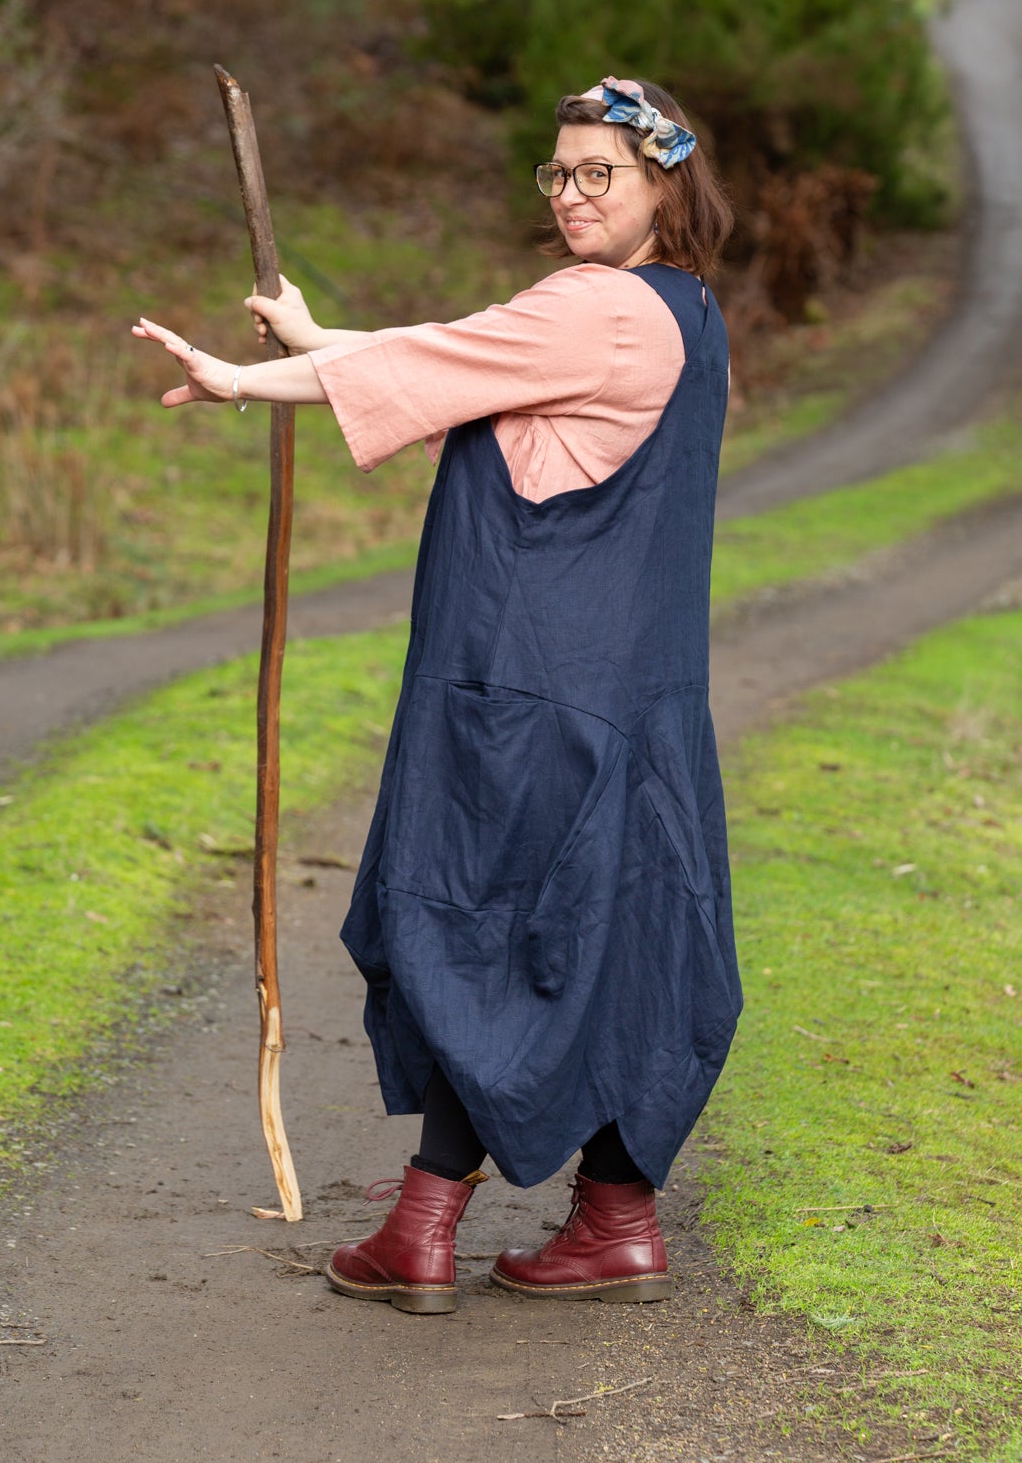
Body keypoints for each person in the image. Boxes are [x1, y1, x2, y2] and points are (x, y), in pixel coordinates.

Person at [133, 76, 743, 1316]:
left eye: (599, 175)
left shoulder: (603, 310)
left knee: (482, 930)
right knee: (624, 940)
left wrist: (242, 383)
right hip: (634, 693)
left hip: (525, 688)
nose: (571, 196)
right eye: (558, 174)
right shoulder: (682, 311)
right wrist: (316, 345)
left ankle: (423, 1228)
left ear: (664, 184)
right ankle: (617, 1221)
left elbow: (451, 359)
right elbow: (458, 359)